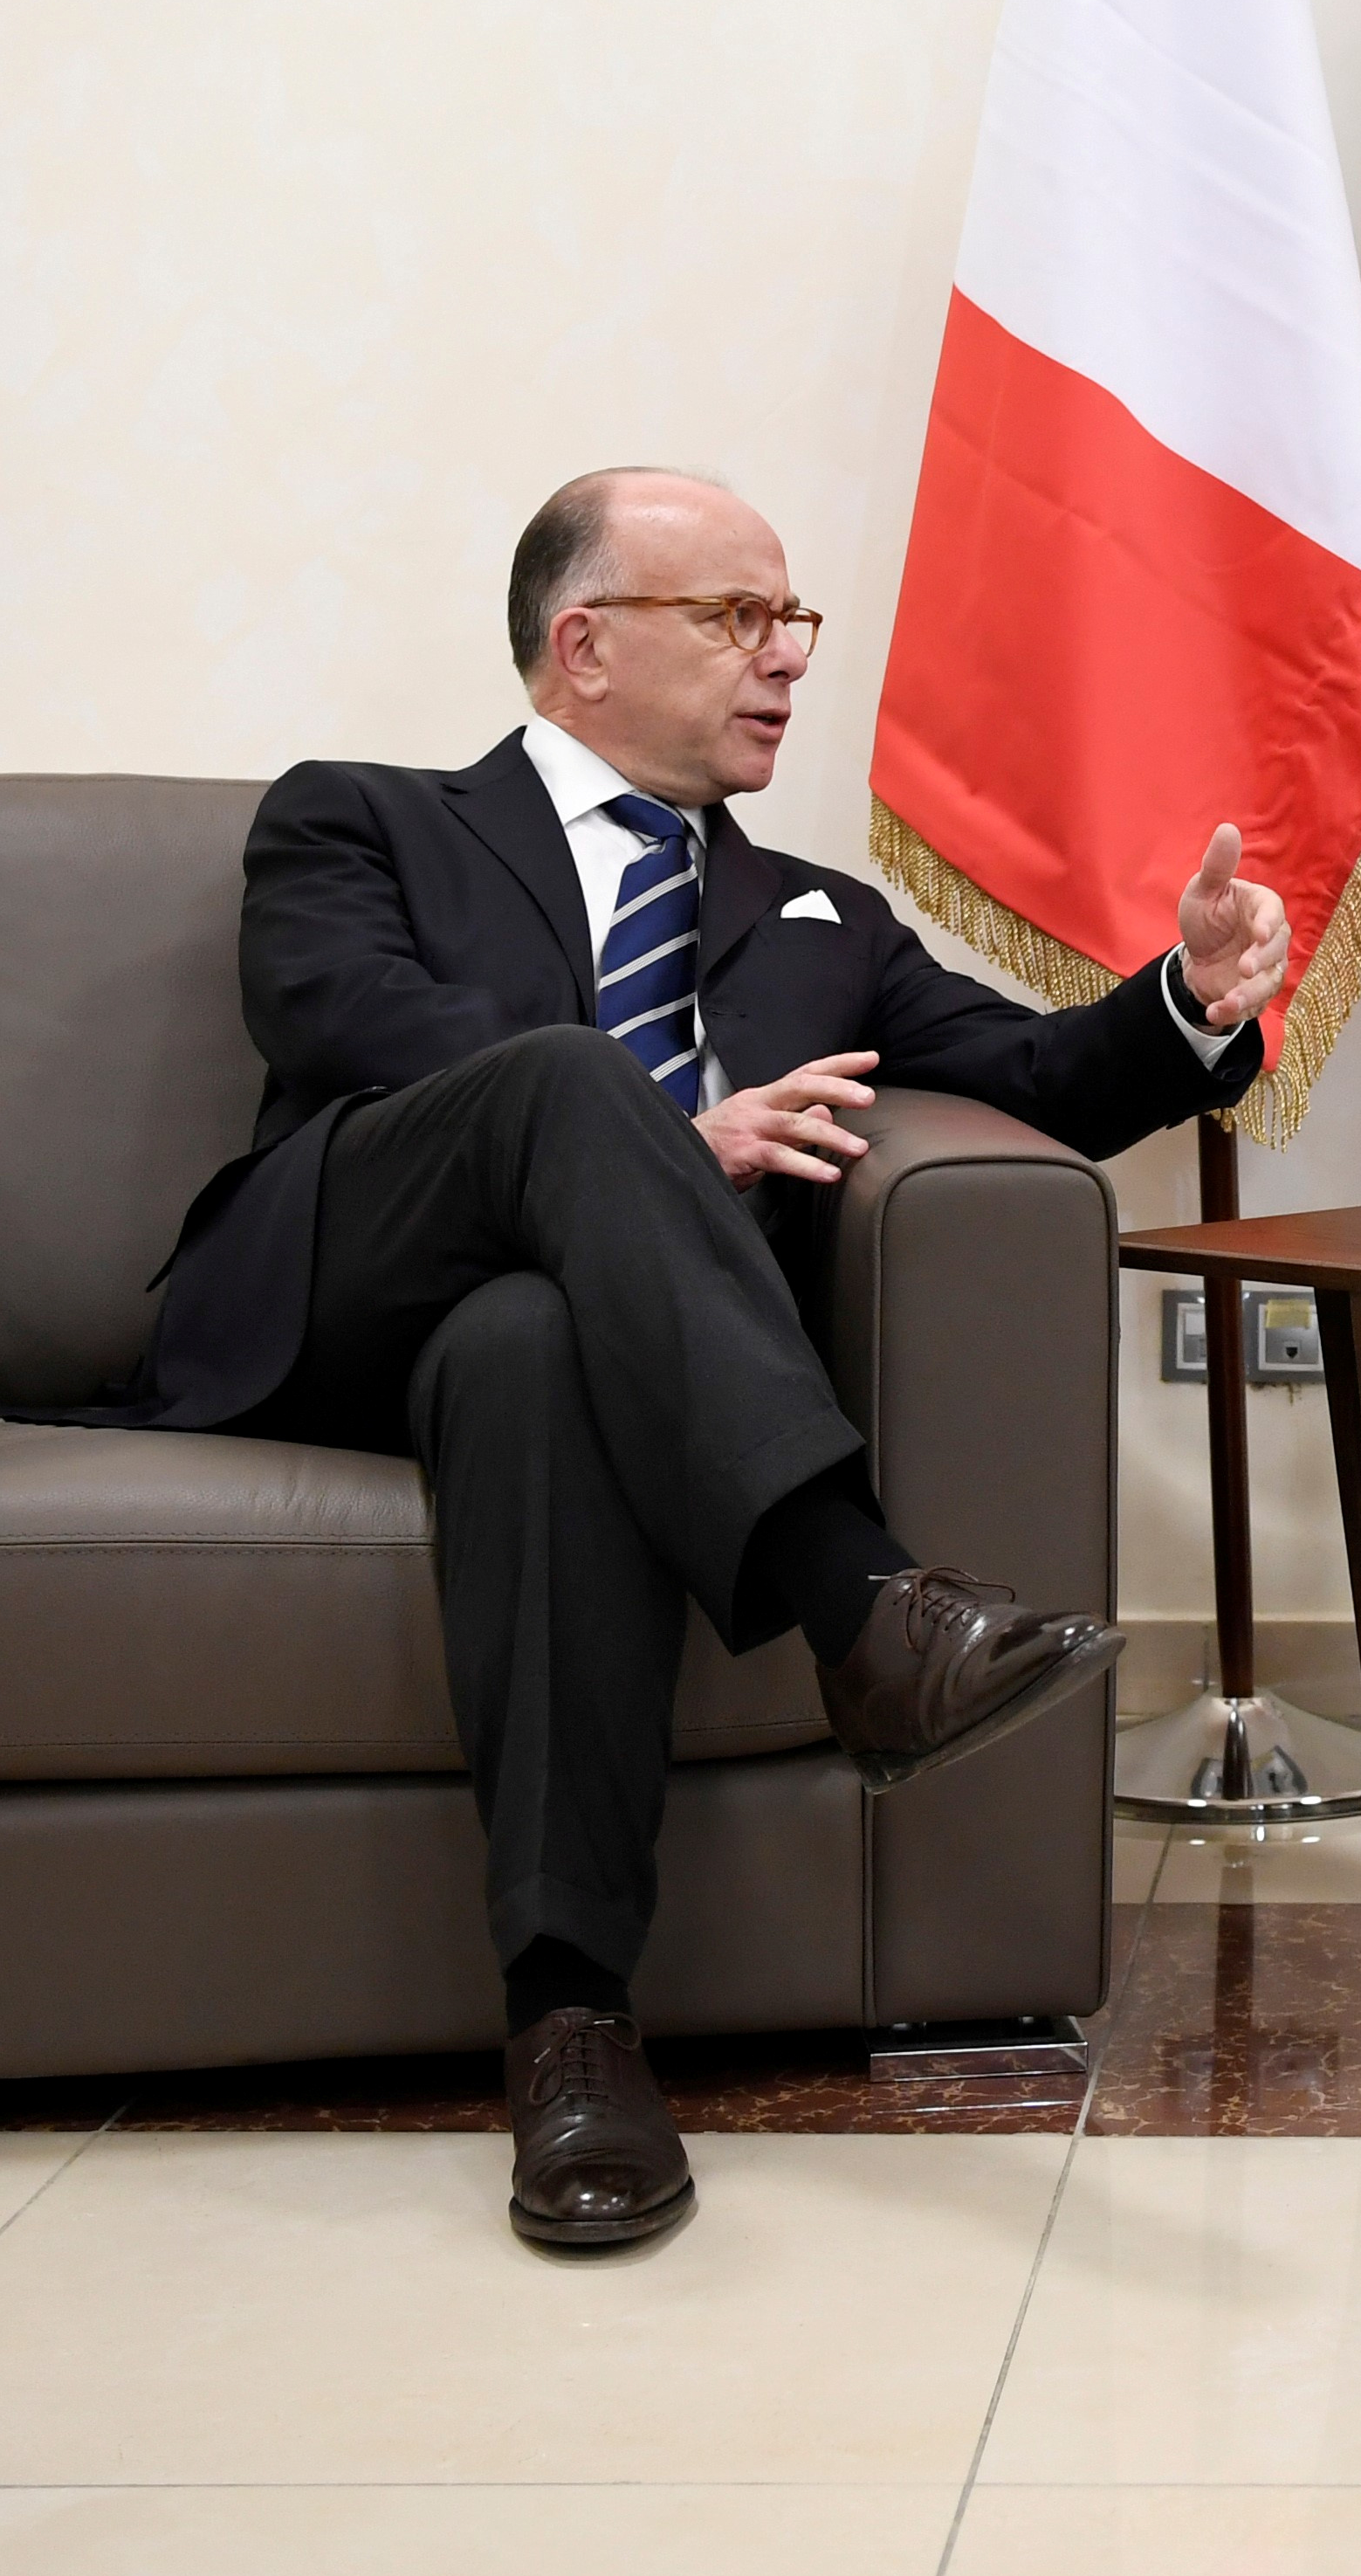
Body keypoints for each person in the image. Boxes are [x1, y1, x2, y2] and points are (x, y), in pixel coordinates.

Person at [120, 465, 1285, 2252]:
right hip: (351, 1278)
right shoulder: (362, 818)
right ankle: (861, 1598)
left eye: (791, 617)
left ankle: (574, 2032)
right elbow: (351, 1019)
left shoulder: (821, 918)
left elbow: (1034, 1073)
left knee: (535, 1349)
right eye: (736, 617)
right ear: (580, 644)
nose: (788, 657)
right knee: (573, 1077)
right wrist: (679, 1127)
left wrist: (1191, 1003)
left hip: (557, 1353)